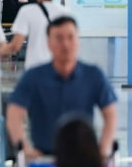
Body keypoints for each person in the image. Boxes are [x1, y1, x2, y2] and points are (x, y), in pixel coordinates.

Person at [8, 16, 119, 159]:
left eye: (71, 37)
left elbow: (110, 114)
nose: (66, 44)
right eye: (59, 38)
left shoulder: (93, 75)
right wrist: (25, 149)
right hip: (45, 157)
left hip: (84, 157)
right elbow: (14, 113)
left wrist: (103, 148)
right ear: (49, 43)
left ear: (78, 40)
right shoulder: (34, 77)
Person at [2, 0, 68, 69]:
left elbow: (15, 45)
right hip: (58, 66)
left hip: (35, 66)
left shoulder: (27, 11)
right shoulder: (65, 12)